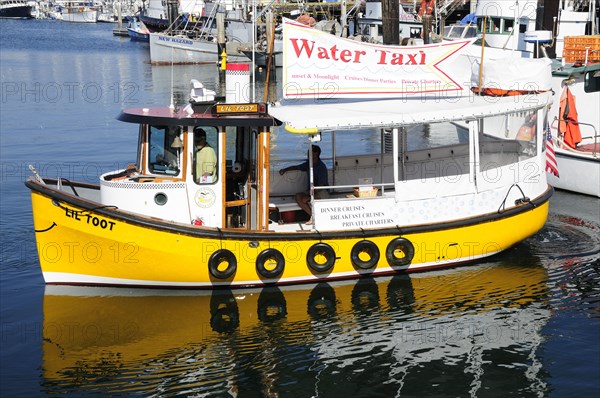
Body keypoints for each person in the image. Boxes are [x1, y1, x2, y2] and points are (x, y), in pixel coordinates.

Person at [279, 145, 329, 223]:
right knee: (298, 197)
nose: (308, 154)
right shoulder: (308, 164)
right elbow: (297, 167)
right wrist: (285, 169)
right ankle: (313, 216)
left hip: (322, 191)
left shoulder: (321, 167)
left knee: (308, 198)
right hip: (311, 190)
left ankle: (314, 218)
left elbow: (321, 186)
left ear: (316, 154)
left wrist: (309, 196)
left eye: (310, 153)